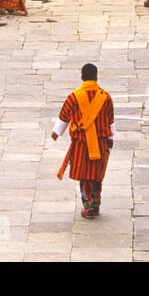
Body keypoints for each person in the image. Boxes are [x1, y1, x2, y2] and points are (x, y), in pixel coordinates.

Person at [52, 63, 114, 218]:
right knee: (96, 174)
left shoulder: (74, 96)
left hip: (81, 144)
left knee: (85, 174)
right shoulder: (105, 96)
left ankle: (88, 207)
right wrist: (111, 138)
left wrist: (56, 132)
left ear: (82, 77)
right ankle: (96, 204)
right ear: (96, 77)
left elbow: (64, 116)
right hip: (100, 142)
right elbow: (110, 119)